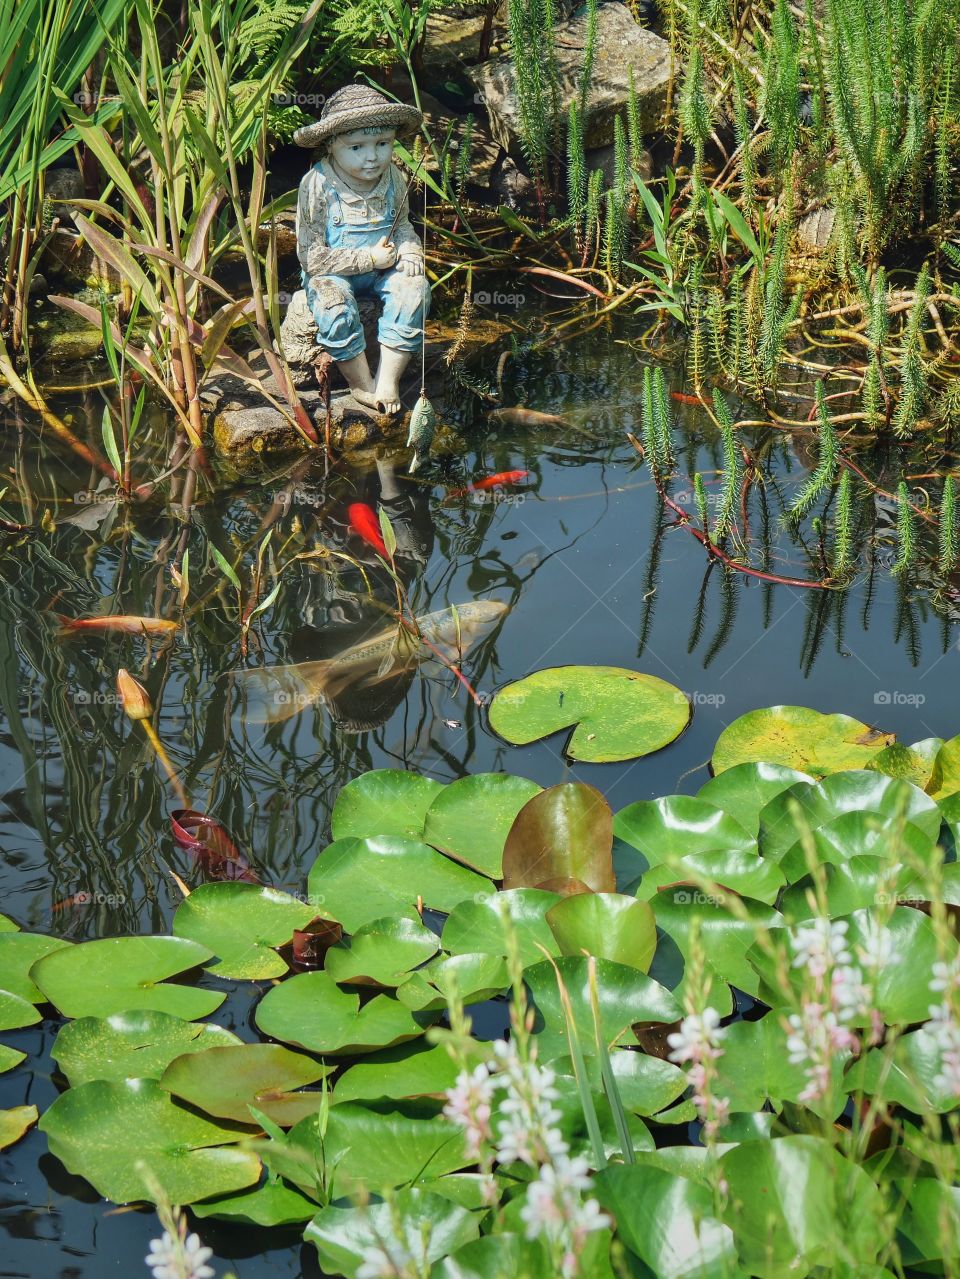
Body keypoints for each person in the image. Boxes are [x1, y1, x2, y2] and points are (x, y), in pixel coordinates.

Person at [293, 84, 431, 416]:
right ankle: (361, 384)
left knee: (416, 290)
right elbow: (310, 255)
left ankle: (388, 379)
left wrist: (411, 250)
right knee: (334, 307)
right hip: (333, 274)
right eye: (356, 147)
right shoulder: (317, 184)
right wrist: (367, 258)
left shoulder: (394, 178)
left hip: (385, 270)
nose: (372, 157)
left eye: (382, 144)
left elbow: (402, 225)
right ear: (331, 147)